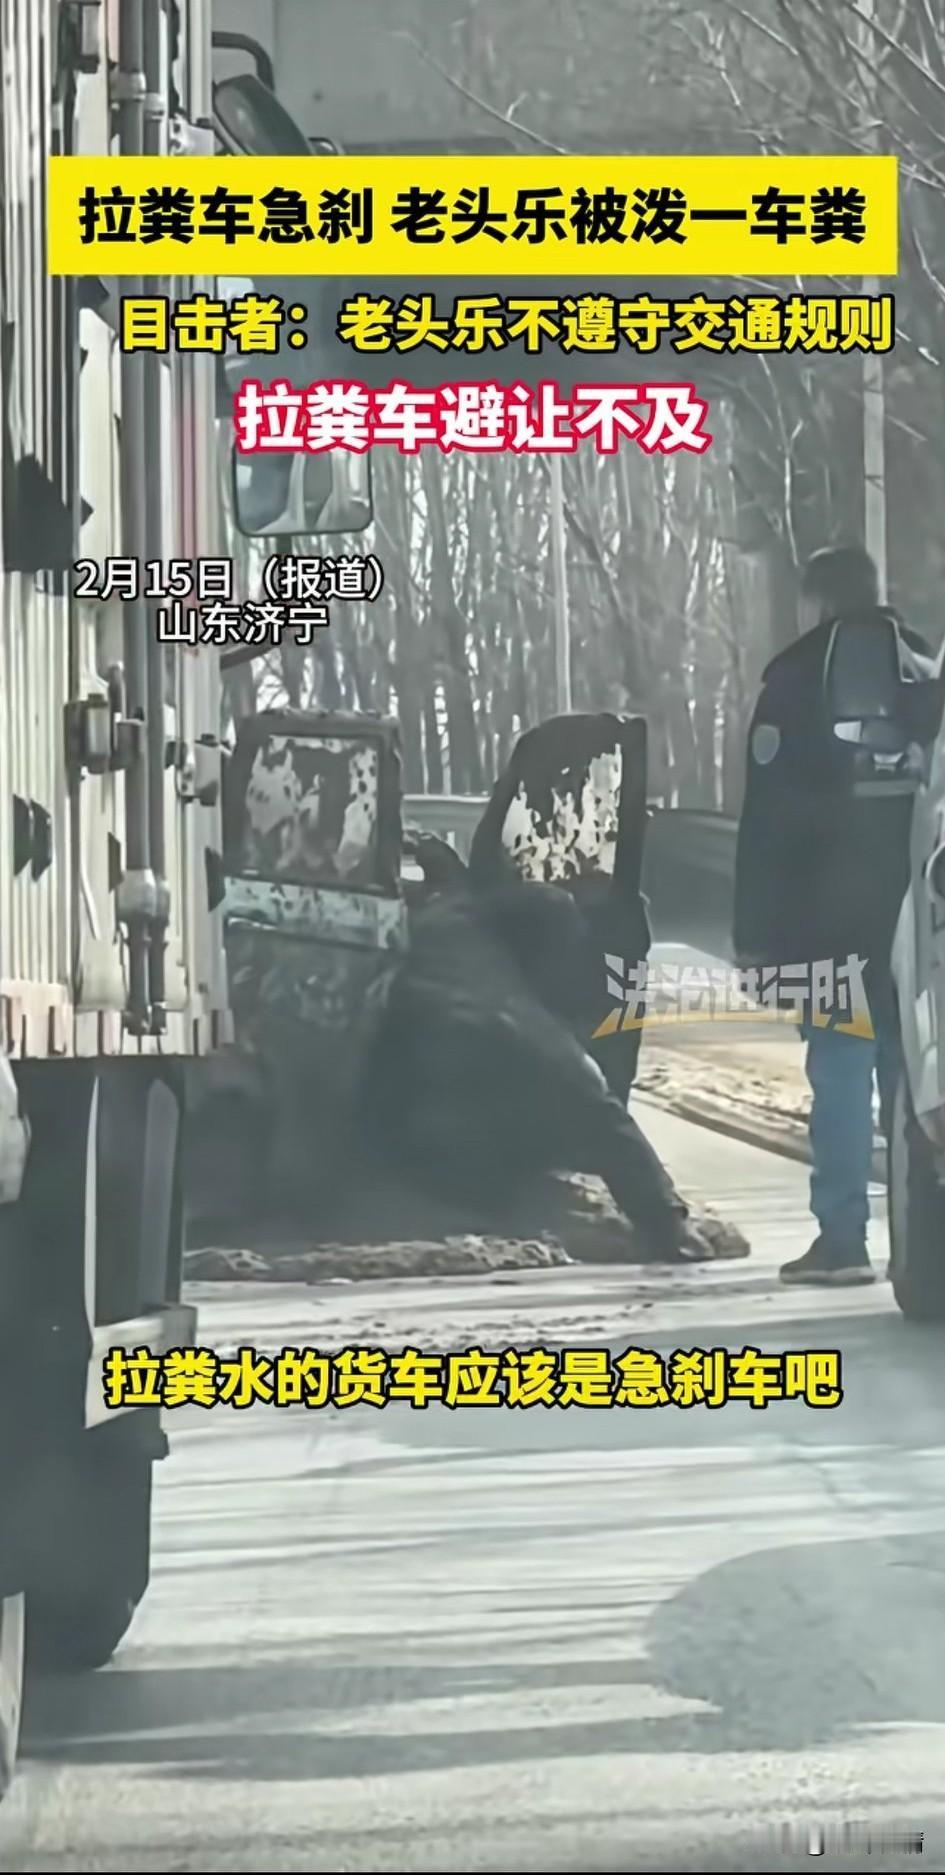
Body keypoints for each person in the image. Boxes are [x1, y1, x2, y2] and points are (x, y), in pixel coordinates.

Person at [734, 543, 931, 1287]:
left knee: (841, 1071)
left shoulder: (794, 681)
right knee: (914, 1078)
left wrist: (755, 937)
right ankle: (919, 1241)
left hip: (825, 917)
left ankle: (843, 1241)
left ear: (815, 600)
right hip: (914, 913)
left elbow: (767, 822)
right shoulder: (923, 670)